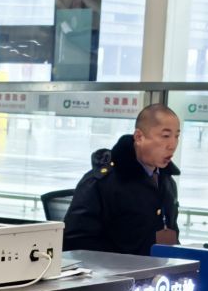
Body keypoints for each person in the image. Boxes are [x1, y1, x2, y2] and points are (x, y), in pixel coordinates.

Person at [61, 104, 181, 254]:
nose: (172, 145)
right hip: (115, 268)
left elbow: (170, 233)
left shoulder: (167, 181)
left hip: (159, 266)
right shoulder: (101, 182)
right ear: (139, 137)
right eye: (165, 136)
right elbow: (75, 243)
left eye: (177, 136)